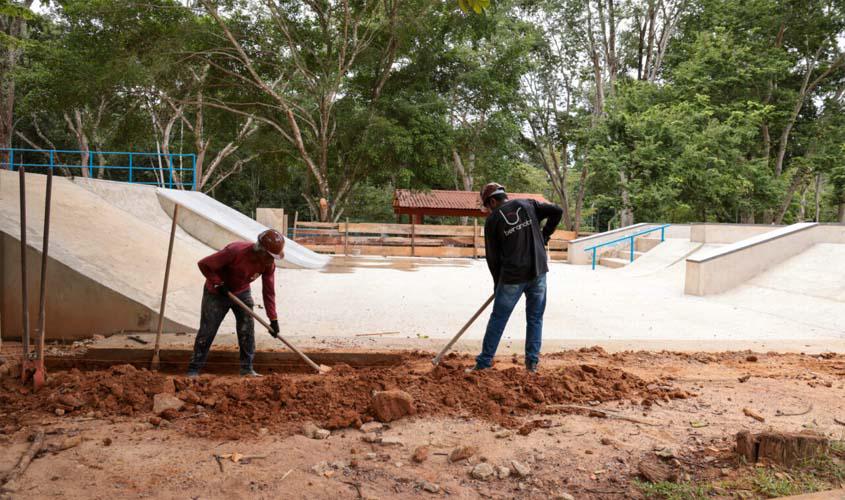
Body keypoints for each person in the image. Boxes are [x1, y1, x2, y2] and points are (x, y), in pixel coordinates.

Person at [468, 183, 563, 373]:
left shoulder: (493, 220)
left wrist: (498, 284)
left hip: (513, 277)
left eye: (487, 207)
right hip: (538, 271)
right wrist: (545, 236)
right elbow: (557, 211)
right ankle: (532, 363)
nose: (487, 211)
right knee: (535, 318)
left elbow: (493, 258)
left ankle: (484, 363)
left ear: (493, 201)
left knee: (498, 319)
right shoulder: (528, 204)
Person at [187, 229, 285, 378]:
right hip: (216, 294)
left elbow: (269, 292)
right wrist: (218, 284)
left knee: (247, 330)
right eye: (270, 256)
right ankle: (194, 369)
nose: (272, 260)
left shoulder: (268, 265)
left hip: (242, 292)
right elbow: (204, 264)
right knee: (207, 331)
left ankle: (247, 369)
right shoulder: (235, 251)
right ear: (260, 250)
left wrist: (273, 319)